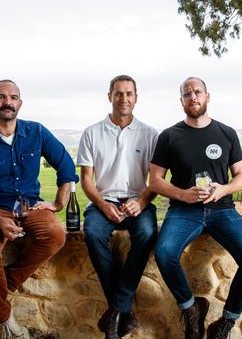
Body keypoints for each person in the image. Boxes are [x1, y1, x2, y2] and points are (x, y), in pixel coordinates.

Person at [0, 79, 79, 339]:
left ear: (20, 104)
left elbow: (66, 165)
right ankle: (6, 321)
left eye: (13, 97)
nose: (7, 102)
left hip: (30, 206)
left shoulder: (36, 132)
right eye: (1, 97)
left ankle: (0, 286)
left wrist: (59, 203)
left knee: (56, 235)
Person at [149, 77, 242, 339]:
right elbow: (154, 181)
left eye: (197, 91)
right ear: (182, 101)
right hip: (183, 210)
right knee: (165, 253)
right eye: (187, 93)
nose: (193, 97)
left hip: (222, 210)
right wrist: (183, 195)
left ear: (208, 96)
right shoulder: (169, 136)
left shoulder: (226, 133)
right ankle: (191, 310)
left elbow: (241, 177)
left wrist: (222, 189)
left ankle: (225, 323)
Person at [77, 75, 159, 339]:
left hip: (137, 199)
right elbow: (86, 181)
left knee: (147, 234)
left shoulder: (150, 134)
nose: (124, 99)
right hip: (104, 201)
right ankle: (123, 310)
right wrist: (101, 205)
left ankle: (115, 312)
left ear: (136, 97)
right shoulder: (91, 133)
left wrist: (142, 201)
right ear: (109, 96)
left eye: (129, 94)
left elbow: (157, 180)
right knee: (92, 233)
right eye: (118, 93)